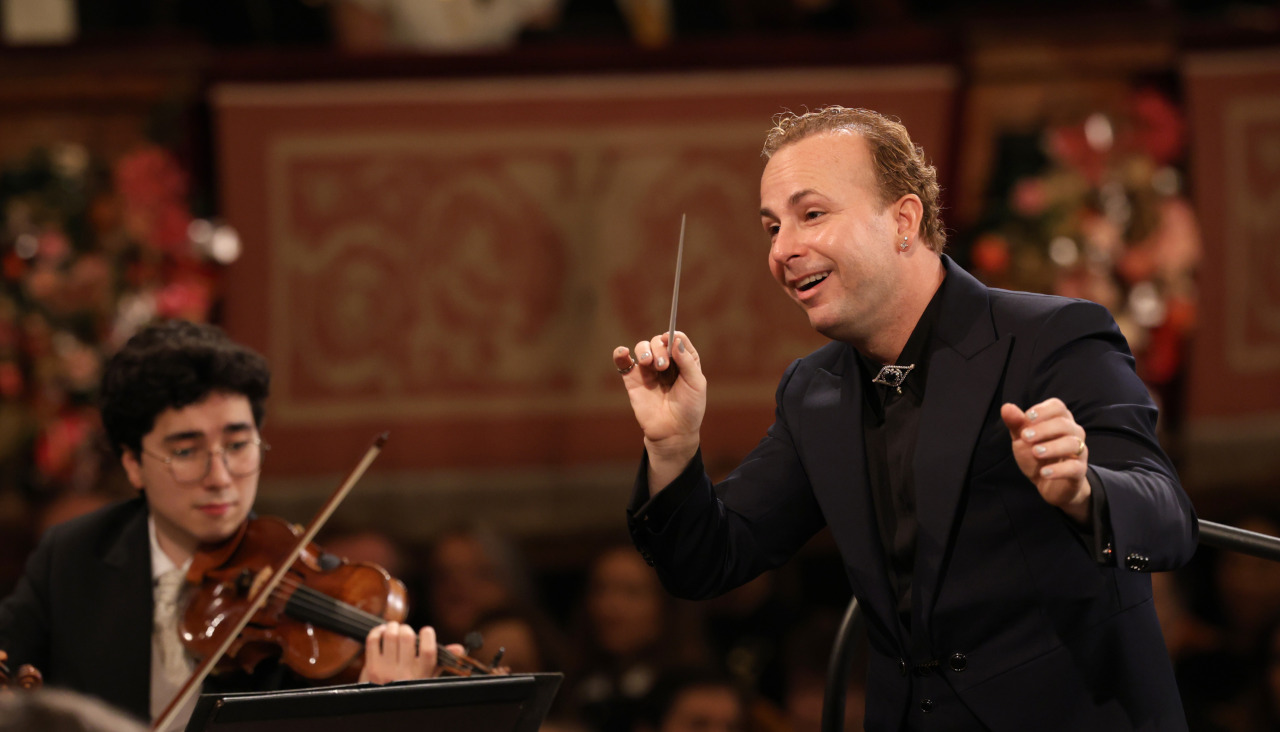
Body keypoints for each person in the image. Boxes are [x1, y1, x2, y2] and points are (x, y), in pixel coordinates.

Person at [611, 107, 1197, 730]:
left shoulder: (1052, 337)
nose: (783, 249)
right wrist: (673, 447)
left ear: (904, 219)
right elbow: (710, 561)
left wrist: (1085, 491)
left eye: (811, 214)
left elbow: (1169, 520)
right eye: (771, 227)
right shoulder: (814, 390)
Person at [0, 320, 458, 731]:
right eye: (185, 451)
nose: (220, 478)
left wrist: (387, 705)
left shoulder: (319, 593)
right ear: (134, 464)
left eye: (239, 446)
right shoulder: (74, 555)